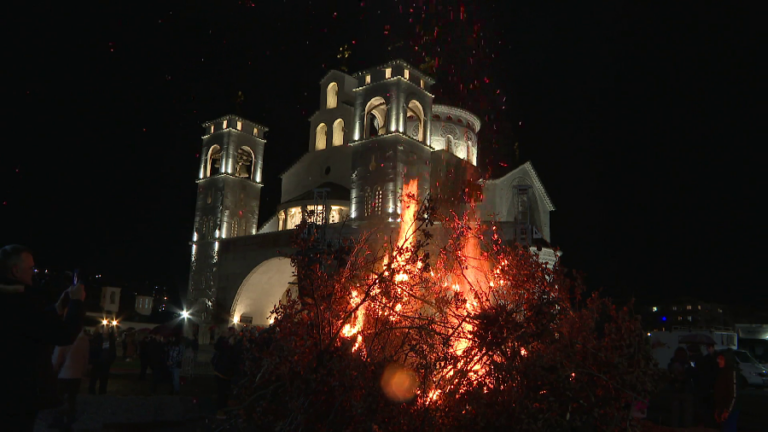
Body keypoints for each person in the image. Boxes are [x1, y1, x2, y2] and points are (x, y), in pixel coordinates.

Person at [0, 244, 85, 431]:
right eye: (30, 268)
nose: (34, 272)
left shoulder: (10, 298)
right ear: (15, 270)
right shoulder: (20, 301)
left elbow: (34, 325)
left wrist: (57, 308)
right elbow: (64, 335)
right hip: (18, 392)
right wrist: (77, 303)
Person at [51, 327, 90, 430]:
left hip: (63, 374)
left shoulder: (64, 338)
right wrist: (83, 370)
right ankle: (70, 419)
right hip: (76, 374)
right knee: (72, 398)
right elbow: (85, 357)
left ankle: (58, 420)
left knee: (59, 398)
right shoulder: (84, 339)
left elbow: (57, 357)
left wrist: (54, 368)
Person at [667, 346, 695, 427]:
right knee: (687, 412)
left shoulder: (672, 364)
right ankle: (686, 427)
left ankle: (675, 426)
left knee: (675, 412)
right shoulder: (686, 364)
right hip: (686, 390)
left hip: (675, 390)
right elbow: (691, 374)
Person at [713, 352, 738, 432]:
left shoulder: (731, 372)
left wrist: (728, 410)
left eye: (721, 359)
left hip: (730, 408)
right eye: (718, 359)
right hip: (723, 407)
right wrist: (718, 408)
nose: (719, 361)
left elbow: (733, 393)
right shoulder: (721, 372)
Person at [88, 326, 117, 395]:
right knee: (94, 378)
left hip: (105, 362)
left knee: (103, 379)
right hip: (97, 362)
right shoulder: (97, 339)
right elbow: (92, 350)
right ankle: (92, 392)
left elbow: (113, 352)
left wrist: (110, 360)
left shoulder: (110, 340)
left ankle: (102, 392)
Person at [695, 343, 719, 427]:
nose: (708, 349)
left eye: (709, 348)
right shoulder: (708, 358)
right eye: (707, 348)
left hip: (712, 384)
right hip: (708, 385)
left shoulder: (715, 358)